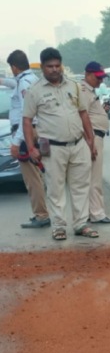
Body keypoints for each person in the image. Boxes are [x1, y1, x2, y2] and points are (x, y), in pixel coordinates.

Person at [21, 47, 98, 241]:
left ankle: (81, 224)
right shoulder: (34, 91)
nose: (54, 70)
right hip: (53, 148)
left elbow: (83, 113)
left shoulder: (74, 86)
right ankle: (59, 227)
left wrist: (91, 140)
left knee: (81, 186)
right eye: (50, 66)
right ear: (42, 68)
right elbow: (27, 120)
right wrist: (31, 147)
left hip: (78, 144)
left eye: (57, 65)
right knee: (55, 189)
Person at [4, 49, 48, 229]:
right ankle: (42, 212)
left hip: (26, 134)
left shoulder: (23, 84)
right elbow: (11, 83)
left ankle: (41, 215)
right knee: (37, 174)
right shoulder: (30, 79)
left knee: (32, 178)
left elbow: (25, 116)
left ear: (14, 67)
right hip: (34, 131)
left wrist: (16, 143)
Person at [81, 61, 110, 224]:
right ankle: (97, 213)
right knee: (95, 177)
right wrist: (90, 141)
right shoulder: (83, 91)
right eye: (98, 77)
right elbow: (83, 116)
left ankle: (91, 212)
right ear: (88, 74)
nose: (101, 80)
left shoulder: (89, 90)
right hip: (93, 137)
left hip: (95, 136)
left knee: (92, 177)